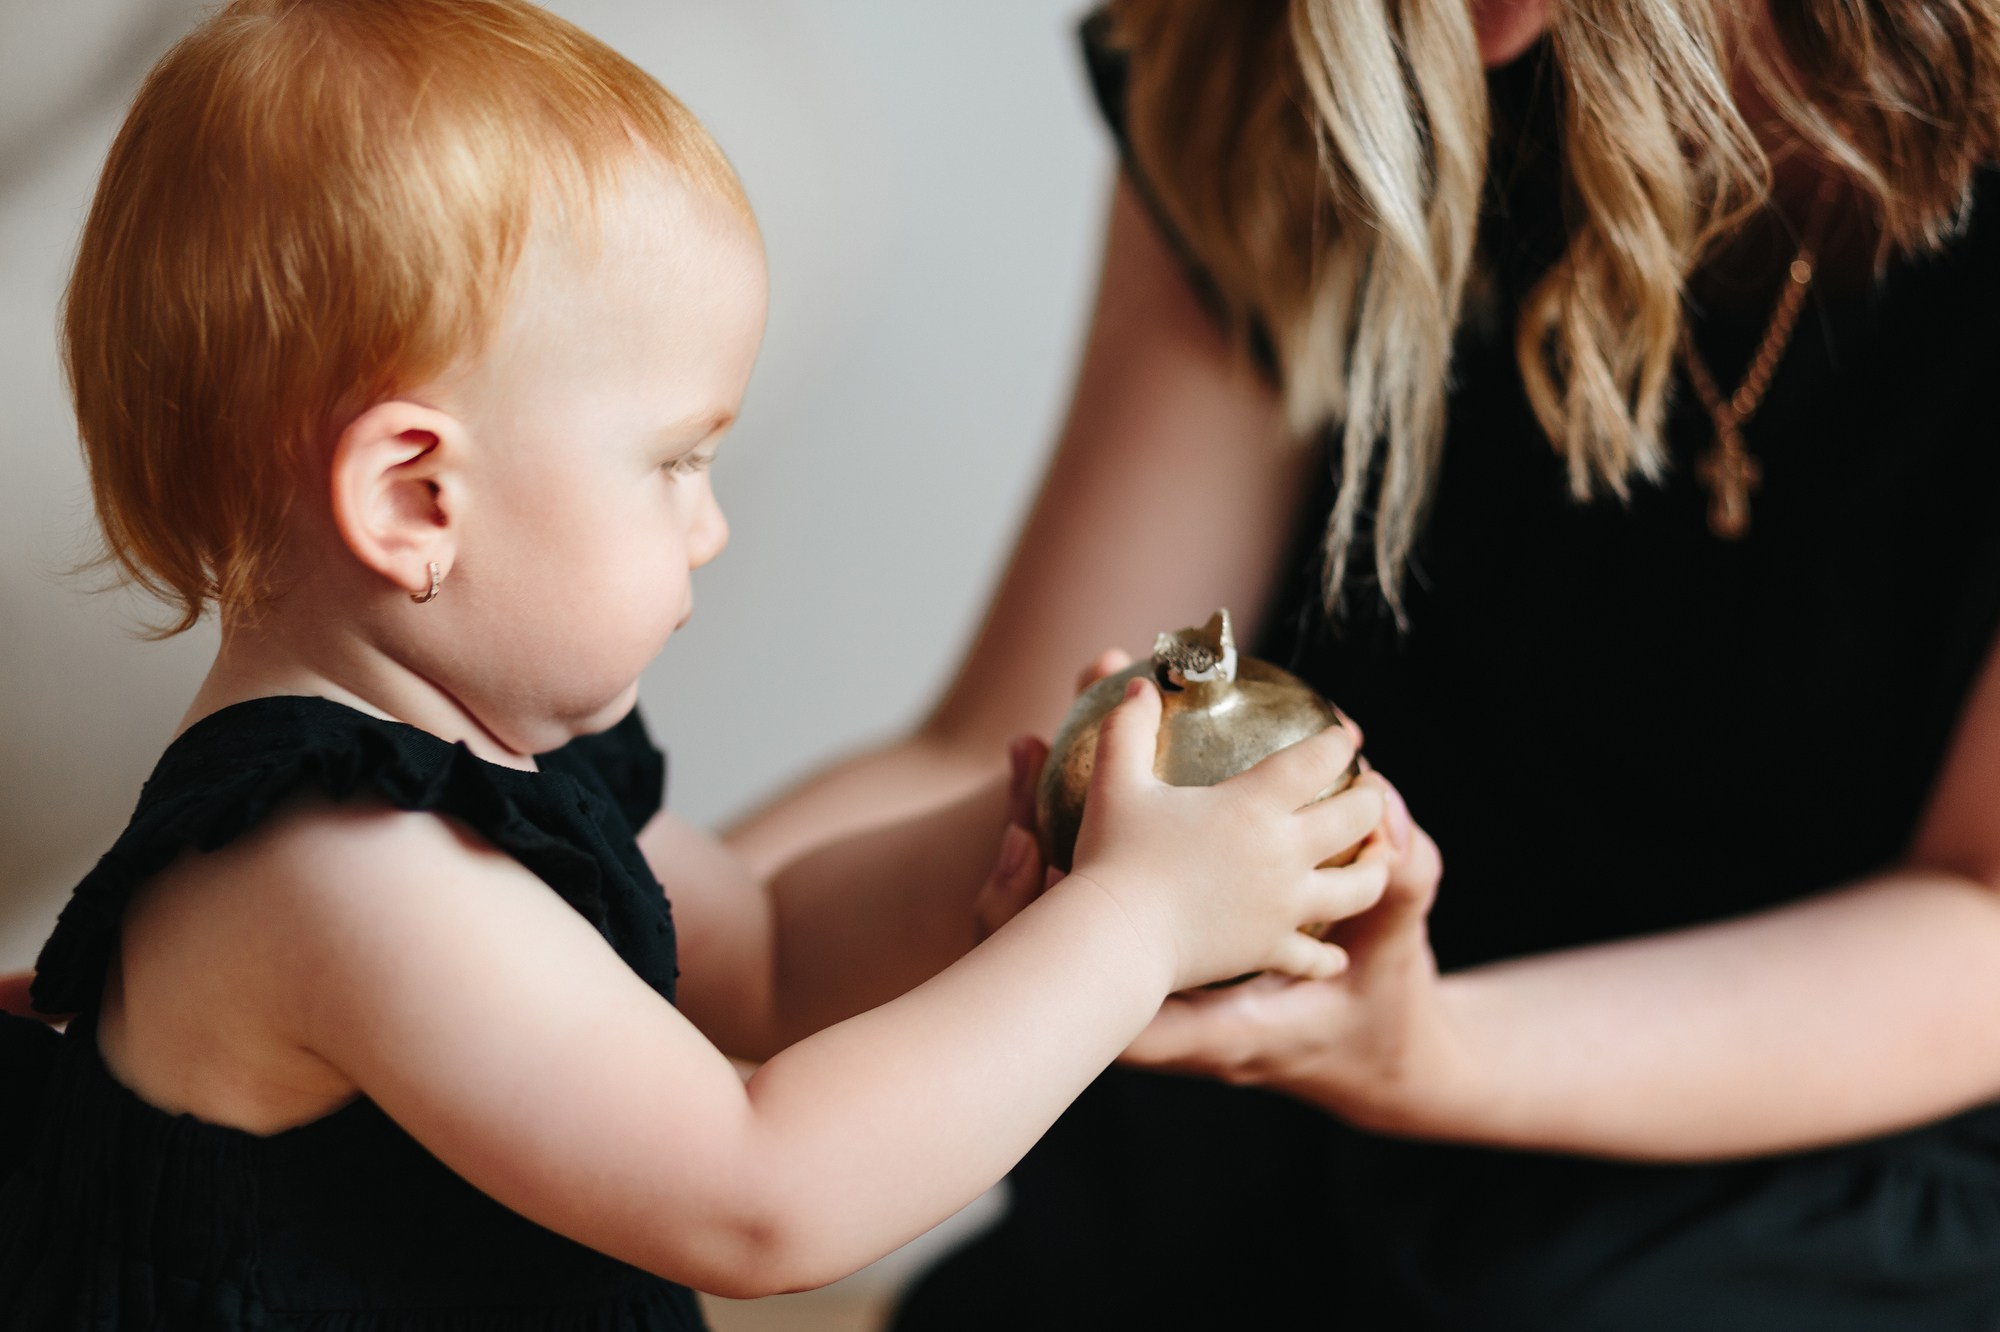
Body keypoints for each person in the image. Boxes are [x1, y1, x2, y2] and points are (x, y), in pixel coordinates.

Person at [0, 2, 1401, 1326]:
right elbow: (762, 1198)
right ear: (416, 501)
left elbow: (774, 951)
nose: (712, 526)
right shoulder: (335, 870)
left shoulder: (493, 767)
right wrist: (1139, 926)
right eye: (674, 462)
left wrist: (1060, 840)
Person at [715, 1, 2000, 1328]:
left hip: (1830, 1130)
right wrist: (558, 908)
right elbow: (991, 757)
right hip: (1293, 1085)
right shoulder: (1270, 68)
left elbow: (1981, 919)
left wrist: (1431, 1052)